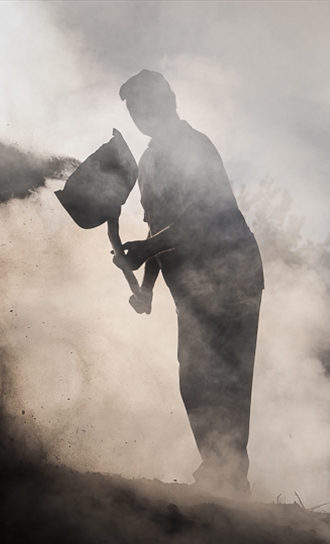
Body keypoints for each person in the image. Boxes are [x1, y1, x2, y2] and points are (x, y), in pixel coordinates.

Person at [115, 70, 264, 498]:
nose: (139, 115)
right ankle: (219, 471)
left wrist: (145, 248)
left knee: (228, 377)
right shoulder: (148, 163)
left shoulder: (194, 146)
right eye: (132, 109)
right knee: (194, 377)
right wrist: (146, 287)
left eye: (144, 104)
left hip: (232, 274)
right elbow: (157, 229)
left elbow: (202, 217)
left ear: (169, 101)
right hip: (191, 286)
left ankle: (229, 480)